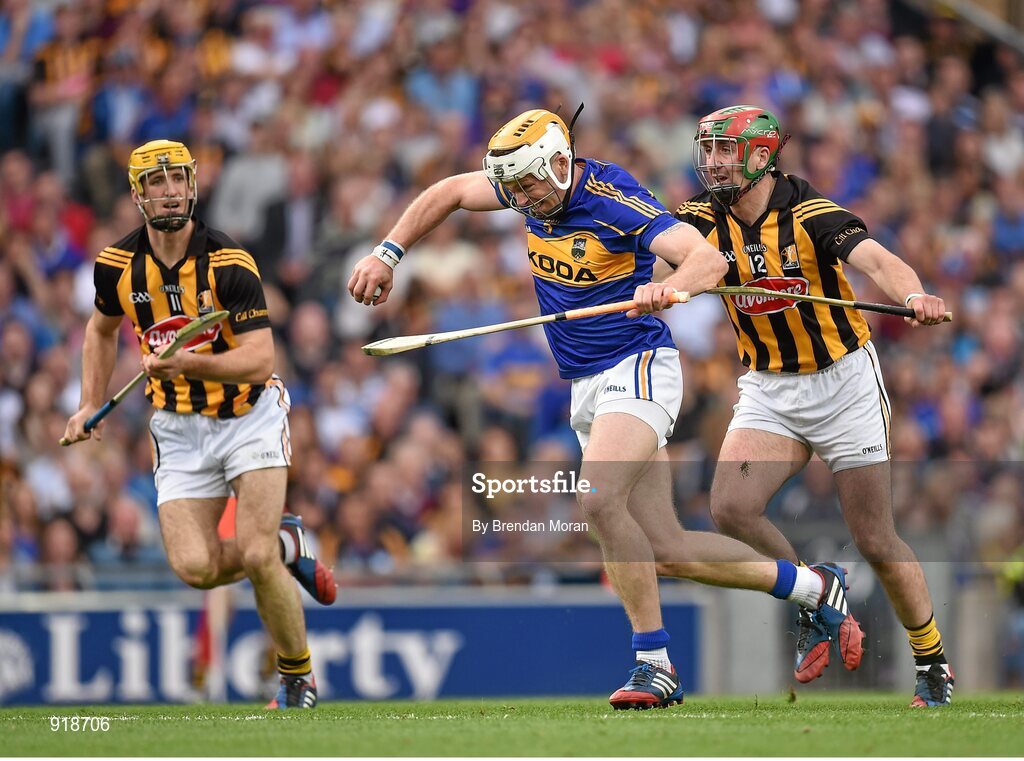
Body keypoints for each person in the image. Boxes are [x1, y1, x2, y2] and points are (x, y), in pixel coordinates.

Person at [348, 108, 864, 709]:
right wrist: (388, 252)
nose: (519, 199)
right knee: (669, 549)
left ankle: (654, 662)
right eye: (512, 189)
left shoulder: (610, 196)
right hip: (587, 383)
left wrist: (671, 287)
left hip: (639, 367)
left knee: (596, 499)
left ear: (561, 163)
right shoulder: (527, 185)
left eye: (529, 186)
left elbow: (706, 259)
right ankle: (813, 586)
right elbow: (451, 192)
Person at [673, 104, 954, 706]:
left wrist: (914, 293)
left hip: (843, 383)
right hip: (770, 388)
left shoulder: (810, 212)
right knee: (729, 507)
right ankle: (814, 591)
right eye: (710, 150)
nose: (715, 163)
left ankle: (932, 664)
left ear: (761, 156)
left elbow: (877, 259)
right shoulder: (698, 217)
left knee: (875, 538)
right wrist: (653, 285)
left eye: (727, 151)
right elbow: (663, 255)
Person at [61, 139, 337, 710]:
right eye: (156, 182)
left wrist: (187, 361)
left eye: (178, 179)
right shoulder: (116, 265)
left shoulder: (228, 262)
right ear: (138, 194)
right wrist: (90, 402)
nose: (170, 191)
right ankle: (289, 544)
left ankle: (296, 680)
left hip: (248, 415)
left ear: (193, 185)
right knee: (195, 567)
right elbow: (100, 330)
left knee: (255, 557)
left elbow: (262, 359)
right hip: (178, 428)